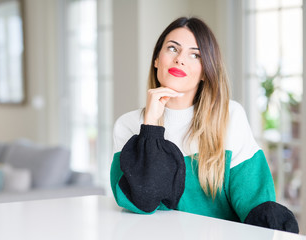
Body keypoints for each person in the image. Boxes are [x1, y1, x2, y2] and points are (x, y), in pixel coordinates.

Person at [110, 17, 299, 233]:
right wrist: (151, 127)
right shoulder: (128, 125)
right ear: (156, 59)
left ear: (204, 71)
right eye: (173, 48)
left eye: (195, 54)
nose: (180, 59)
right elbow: (140, 202)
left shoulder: (230, 115)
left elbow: (254, 200)